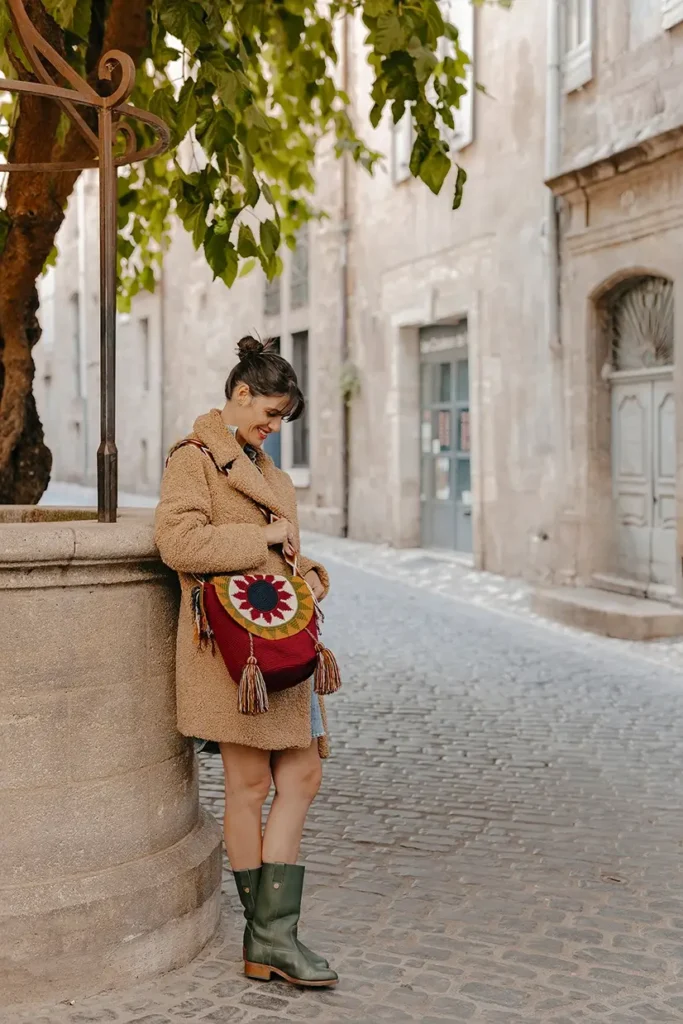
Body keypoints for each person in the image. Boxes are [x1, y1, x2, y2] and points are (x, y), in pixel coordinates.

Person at [155, 336, 338, 988]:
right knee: (250, 787)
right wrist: (259, 535)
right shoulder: (195, 458)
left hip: (282, 644)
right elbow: (177, 540)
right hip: (234, 657)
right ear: (239, 394)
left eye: (281, 419)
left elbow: (280, 552)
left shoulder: (268, 470)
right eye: (268, 414)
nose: (273, 427)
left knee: (303, 776)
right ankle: (272, 941)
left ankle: (269, 937)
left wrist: (308, 570)